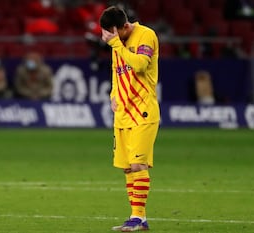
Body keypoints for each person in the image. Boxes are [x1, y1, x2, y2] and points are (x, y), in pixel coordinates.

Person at [100, 6, 160, 232]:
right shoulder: (117, 42)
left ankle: (136, 216)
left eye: (115, 34)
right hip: (122, 114)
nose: (112, 38)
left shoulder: (146, 35)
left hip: (143, 111)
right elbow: (118, 72)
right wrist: (113, 95)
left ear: (125, 26)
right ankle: (140, 219)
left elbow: (141, 65)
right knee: (127, 168)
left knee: (138, 164)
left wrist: (116, 44)